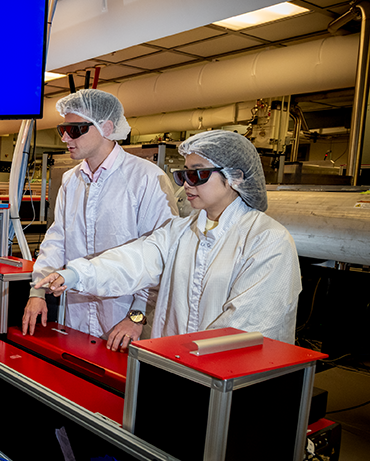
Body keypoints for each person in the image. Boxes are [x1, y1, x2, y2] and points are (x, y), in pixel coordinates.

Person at [35, 130, 302, 344]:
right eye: (184, 174)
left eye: (198, 174)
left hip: (231, 388)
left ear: (235, 177)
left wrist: (182, 358)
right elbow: (133, 260)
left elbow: (245, 330)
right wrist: (75, 275)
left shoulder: (268, 241)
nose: (186, 184)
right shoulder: (180, 231)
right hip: (176, 372)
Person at [22, 89, 178, 351]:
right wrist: (37, 291)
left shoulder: (146, 179)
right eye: (63, 129)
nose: (64, 137)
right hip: (76, 313)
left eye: (75, 130)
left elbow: (160, 254)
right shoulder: (71, 180)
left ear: (106, 127)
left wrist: (137, 316)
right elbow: (57, 239)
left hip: (124, 319)